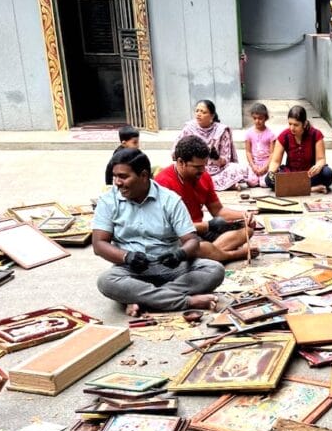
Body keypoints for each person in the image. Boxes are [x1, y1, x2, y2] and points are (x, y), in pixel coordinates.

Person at [92, 149, 224, 317]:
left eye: (123, 177)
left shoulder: (170, 200)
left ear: (144, 175)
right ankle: (187, 301)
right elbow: (99, 244)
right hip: (131, 269)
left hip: (171, 267)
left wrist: (180, 254)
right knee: (106, 281)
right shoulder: (108, 200)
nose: (117, 182)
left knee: (215, 270)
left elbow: (192, 241)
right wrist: (127, 257)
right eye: (115, 176)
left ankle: (139, 298)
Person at [155, 136, 259, 264]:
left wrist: (244, 215)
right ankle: (231, 254)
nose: (203, 171)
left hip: (201, 232)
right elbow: (167, 229)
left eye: (204, 165)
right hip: (181, 237)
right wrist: (207, 225)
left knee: (247, 231)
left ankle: (211, 254)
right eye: (197, 167)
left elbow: (218, 210)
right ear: (181, 162)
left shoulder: (204, 177)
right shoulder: (162, 183)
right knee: (196, 246)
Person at [176, 99, 245, 191]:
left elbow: (226, 160)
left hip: (218, 170)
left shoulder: (221, 130)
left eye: (203, 112)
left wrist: (215, 157)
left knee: (236, 168)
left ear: (212, 116)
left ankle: (206, 185)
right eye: (197, 111)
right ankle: (224, 185)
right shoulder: (189, 129)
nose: (198, 114)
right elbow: (175, 153)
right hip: (195, 168)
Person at [265, 105, 332, 192]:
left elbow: (321, 159)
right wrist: (271, 172)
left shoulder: (316, 134)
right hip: (290, 174)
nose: (292, 128)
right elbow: (275, 161)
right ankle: (311, 189)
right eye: (290, 124)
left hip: (310, 174)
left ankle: (293, 188)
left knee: (328, 174)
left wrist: (318, 166)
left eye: (296, 125)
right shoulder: (284, 135)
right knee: (269, 180)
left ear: (304, 124)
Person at [243, 103, 276, 187]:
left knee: (264, 183)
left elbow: (272, 153)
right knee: (251, 182)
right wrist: (253, 166)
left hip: (266, 163)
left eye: (260, 118)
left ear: (266, 118)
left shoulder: (271, 134)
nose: (257, 121)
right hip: (254, 163)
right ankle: (250, 172)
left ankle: (261, 178)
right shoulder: (249, 133)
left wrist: (265, 167)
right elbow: (248, 152)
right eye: (255, 118)